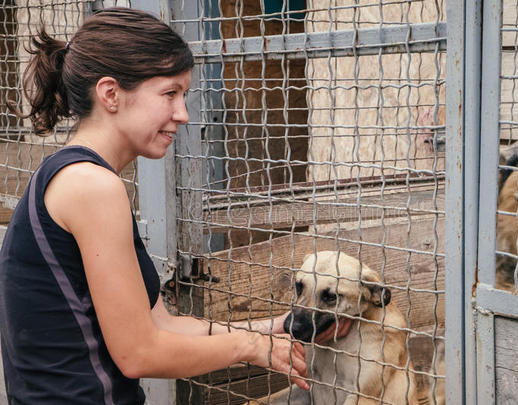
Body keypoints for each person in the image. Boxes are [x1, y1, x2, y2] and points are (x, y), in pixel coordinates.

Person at [0, 8, 352, 404]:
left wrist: (276, 328)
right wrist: (251, 349)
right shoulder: (91, 185)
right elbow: (139, 352)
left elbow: (160, 325)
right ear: (110, 94)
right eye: (170, 93)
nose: (183, 114)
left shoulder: (74, 174)